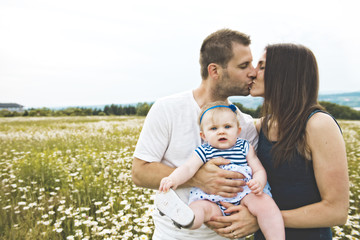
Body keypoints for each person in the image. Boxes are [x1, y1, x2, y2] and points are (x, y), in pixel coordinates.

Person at [207, 43, 349, 239]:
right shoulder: (261, 126)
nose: (253, 73)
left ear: (285, 74)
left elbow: (336, 210)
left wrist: (264, 218)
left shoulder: (318, 125)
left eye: (262, 66)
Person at [132, 28, 259, 239]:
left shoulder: (244, 124)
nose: (253, 72)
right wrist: (196, 178)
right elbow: (139, 173)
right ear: (215, 71)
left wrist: (253, 217)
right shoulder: (167, 109)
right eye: (244, 65)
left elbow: (258, 180)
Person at [156, 101, 285, 240]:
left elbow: (258, 169)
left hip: (245, 194)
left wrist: (258, 181)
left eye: (227, 126)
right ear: (203, 135)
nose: (221, 131)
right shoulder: (204, 151)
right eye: (213, 128)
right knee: (200, 209)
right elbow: (188, 168)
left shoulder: (245, 147)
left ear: (238, 131)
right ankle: (185, 217)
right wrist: (173, 179)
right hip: (211, 199)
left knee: (266, 205)